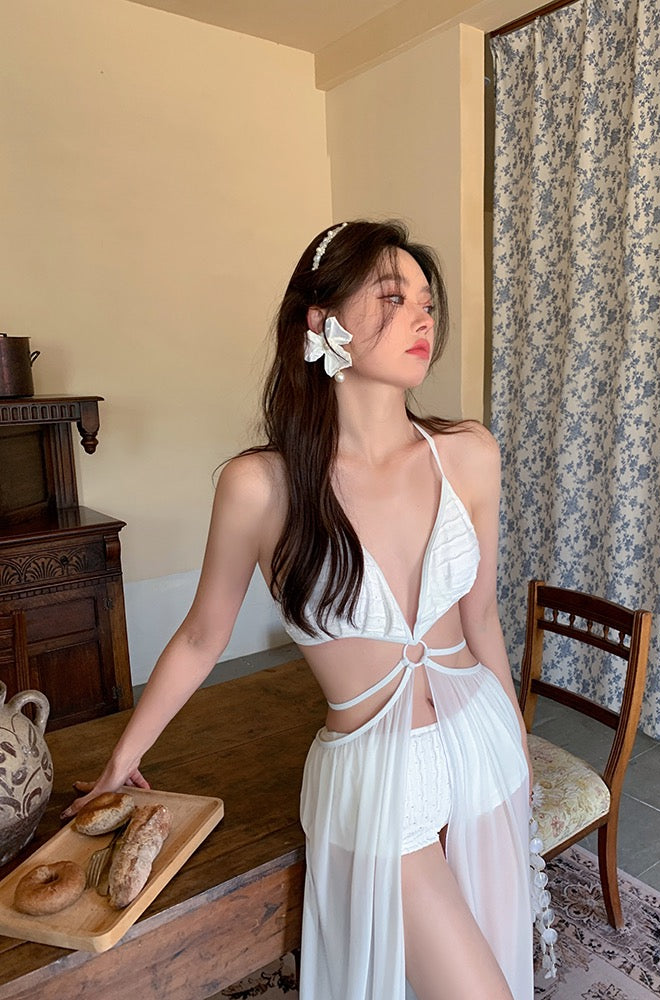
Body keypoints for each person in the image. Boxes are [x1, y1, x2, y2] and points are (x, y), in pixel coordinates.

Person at [63, 220, 553, 1000]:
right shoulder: (260, 486)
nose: (423, 318)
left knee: (494, 954)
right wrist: (123, 759)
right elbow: (201, 637)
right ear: (321, 322)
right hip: (375, 778)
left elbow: (483, 618)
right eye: (392, 297)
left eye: (426, 301)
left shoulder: (469, 452)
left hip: (479, 740)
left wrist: (517, 747)